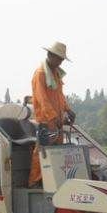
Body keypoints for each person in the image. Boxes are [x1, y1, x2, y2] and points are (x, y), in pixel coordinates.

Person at [28, 42, 76, 188]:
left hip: (57, 121)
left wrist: (68, 109)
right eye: (59, 58)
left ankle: (51, 181)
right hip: (46, 120)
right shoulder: (40, 74)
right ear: (50, 55)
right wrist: (53, 117)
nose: (60, 62)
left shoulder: (55, 74)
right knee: (42, 153)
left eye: (62, 59)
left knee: (56, 153)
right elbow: (43, 99)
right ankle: (35, 181)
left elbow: (59, 96)